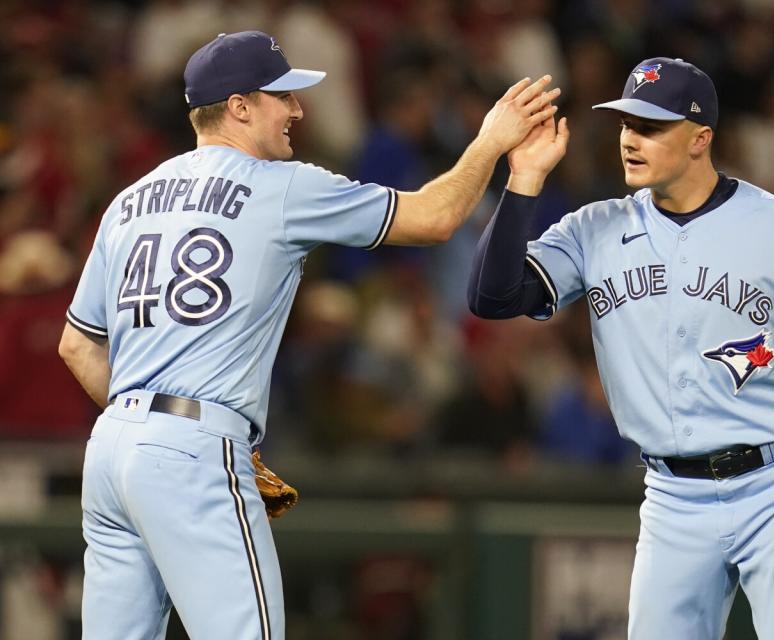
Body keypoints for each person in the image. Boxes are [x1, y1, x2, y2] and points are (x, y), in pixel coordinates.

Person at [58, 30, 559, 640]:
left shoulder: (129, 200)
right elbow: (435, 218)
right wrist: (490, 142)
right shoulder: (282, 186)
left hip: (110, 449)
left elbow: (79, 345)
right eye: (281, 96)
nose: (297, 109)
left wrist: (146, 428)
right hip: (194, 447)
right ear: (239, 106)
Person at [467, 57, 774, 639]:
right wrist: (524, 180)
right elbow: (493, 297)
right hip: (671, 496)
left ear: (701, 139)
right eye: (624, 125)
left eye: (650, 127)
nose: (630, 140)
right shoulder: (594, 229)